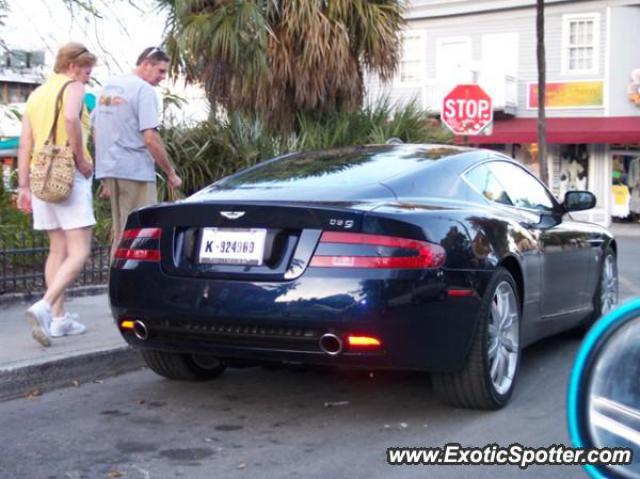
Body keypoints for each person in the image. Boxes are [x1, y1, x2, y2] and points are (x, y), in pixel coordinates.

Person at [16, 43, 98, 347]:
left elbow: (25, 144)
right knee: (80, 250)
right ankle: (46, 305)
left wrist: (23, 186)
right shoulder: (73, 86)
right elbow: (71, 120)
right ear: (74, 66)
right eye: (88, 69)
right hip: (68, 174)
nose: (89, 76)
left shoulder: (36, 95)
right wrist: (81, 160)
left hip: (40, 175)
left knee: (57, 249)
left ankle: (59, 319)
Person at [93, 46, 182, 259]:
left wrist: (104, 174)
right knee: (139, 233)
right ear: (146, 64)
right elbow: (150, 138)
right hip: (134, 170)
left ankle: (117, 284)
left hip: (112, 169)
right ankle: (128, 285)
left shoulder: (109, 87)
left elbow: (98, 133)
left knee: (122, 232)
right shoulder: (144, 91)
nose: (163, 77)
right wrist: (170, 172)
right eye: (161, 71)